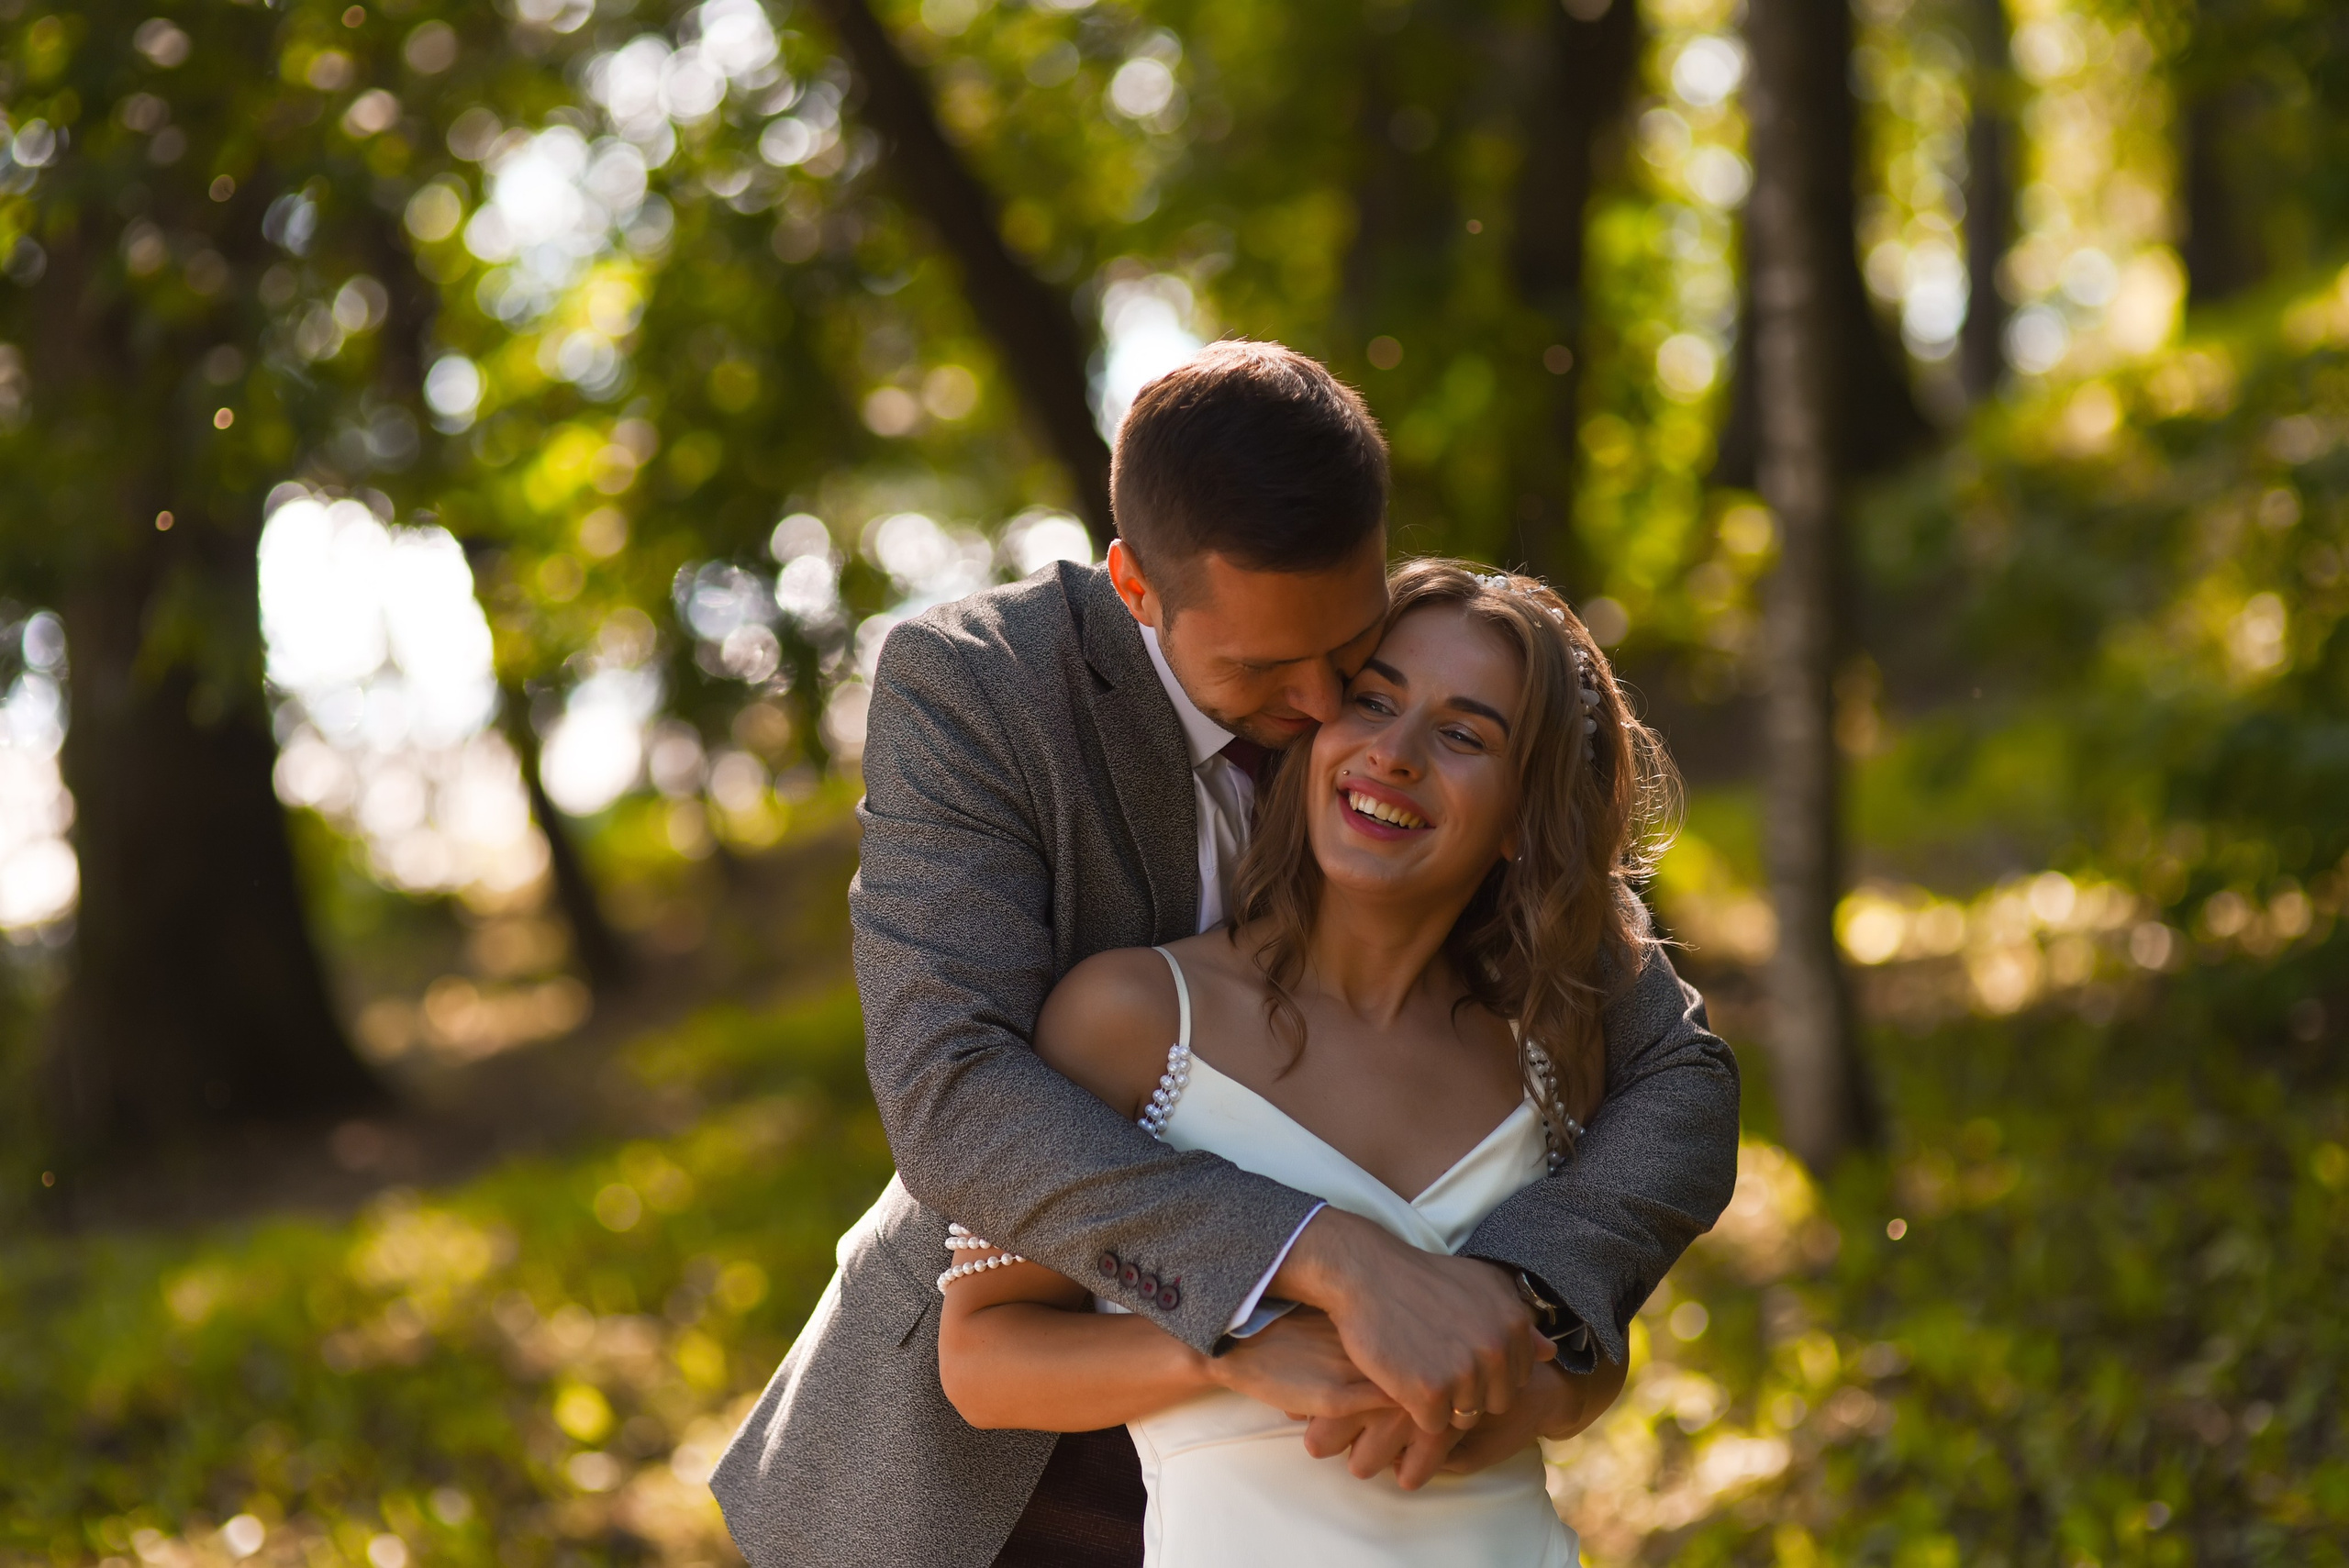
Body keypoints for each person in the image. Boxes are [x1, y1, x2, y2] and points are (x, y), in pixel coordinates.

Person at [711, 341, 1741, 1568]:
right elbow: (952, 1092)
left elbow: (1679, 1078)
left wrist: (1525, 1299)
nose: (1320, 706)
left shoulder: (1406, 722)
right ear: (1137, 587)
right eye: (1263, 668)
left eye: (1345, 649)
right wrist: (1325, 1261)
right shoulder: (978, 692)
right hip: (1001, 1469)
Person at [934, 561, 1673, 1564]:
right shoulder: (1135, 1019)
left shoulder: (1552, 1049)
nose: (1394, 753)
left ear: (1519, 819)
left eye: (1463, 734)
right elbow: (981, 1361)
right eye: (1374, 699)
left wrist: (1537, 1391)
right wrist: (1233, 1351)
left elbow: (1588, 1346)